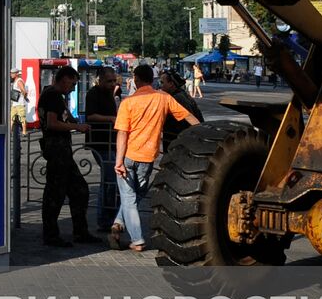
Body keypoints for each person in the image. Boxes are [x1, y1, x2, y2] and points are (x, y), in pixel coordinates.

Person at [114, 63, 200, 251]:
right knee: (137, 193)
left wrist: (118, 161)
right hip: (148, 156)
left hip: (128, 154)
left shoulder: (127, 102)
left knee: (129, 197)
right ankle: (118, 222)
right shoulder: (164, 98)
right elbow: (188, 117)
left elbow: (122, 133)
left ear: (135, 80)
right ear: (152, 79)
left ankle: (137, 239)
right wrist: (202, 132)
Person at [38, 66, 99, 248]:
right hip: (57, 149)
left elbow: (64, 117)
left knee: (79, 190)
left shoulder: (53, 95)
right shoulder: (52, 96)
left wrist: (74, 121)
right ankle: (51, 235)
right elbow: (52, 123)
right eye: (72, 84)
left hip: (61, 149)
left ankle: (80, 231)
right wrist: (77, 127)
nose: (73, 88)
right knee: (55, 193)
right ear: (64, 79)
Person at [84, 67, 121, 242]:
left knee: (110, 179)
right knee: (109, 180)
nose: (112, 84)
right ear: (100, 80)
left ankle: (108, 217)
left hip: (111, 141)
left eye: (114, 81)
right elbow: (90, 116)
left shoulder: (109, 94)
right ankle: (105, 218)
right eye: (109, 81)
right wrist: (111, 119)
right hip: (99, 142)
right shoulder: (93, 94)